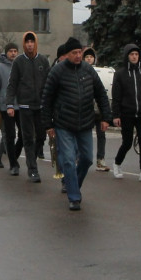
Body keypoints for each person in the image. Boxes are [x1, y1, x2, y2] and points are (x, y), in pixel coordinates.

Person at [41, 37, 111, 211]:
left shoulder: (88, 70)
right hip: (63, 123)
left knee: (87, 159)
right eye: (75, 53)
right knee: (69, 161)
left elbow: (101, 94)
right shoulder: (57, 71)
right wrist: (48, 124)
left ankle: (74, 185)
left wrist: (105, 117)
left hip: (85, 122)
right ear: (68, 54)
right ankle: (74, 197)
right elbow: (47, 98)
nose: (79, 55)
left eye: (80, 52)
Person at [7, 31, 51, 181]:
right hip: (25, 106)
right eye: (27, 42)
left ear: (36, 43)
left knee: (40, 136)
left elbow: (49, 83)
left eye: (32, 42)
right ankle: (33, 169)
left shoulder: (43, 61)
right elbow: (12, 84)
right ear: (24, 44)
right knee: (27, 138)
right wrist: (9, 104)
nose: (30, 45)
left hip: (40, 105)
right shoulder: (19, 61)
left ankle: (33, 156)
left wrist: (49, 102)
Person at [111, 43, 141, 181]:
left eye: (136, 54)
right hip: (127, 113)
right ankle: (117, 163)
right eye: (132, 54)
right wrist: (116, 115)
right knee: (127, 142)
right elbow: (116, 96)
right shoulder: (120, 74)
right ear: (127, 56)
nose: (134, 57)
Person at [0, 44, 20, 169]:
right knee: (8, 134)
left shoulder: (20, 65)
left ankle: (0, 156)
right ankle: (8, 160)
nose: (13, 53)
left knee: (20, 134)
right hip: (5, 106)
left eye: (15, 51)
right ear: (6, 52)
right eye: (11, 51)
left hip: (20, 105)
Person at [82, 48, 110, 170]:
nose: (89, 59)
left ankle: (100, 159)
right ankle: (80, 157)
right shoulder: (80, 71)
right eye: (87, 57)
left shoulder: (99, 72)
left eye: (91, 57)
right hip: (86, 110)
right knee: (83, 135)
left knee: (101, 135)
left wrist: (106, 114)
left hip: (98, 110)